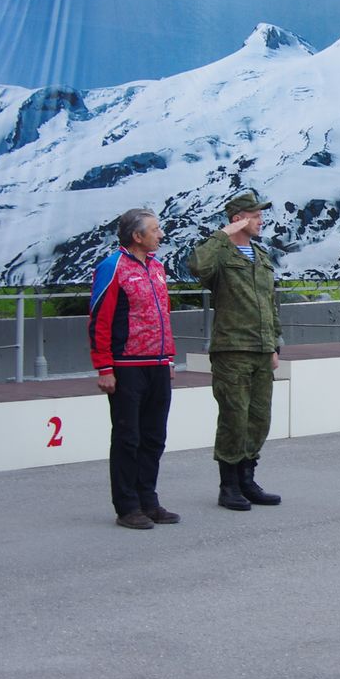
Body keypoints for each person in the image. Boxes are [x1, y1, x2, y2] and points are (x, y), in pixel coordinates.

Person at [189, 191, 283, 511]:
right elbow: (196, 265)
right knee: (234, 418)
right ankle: (228, 485)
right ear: (238, 219)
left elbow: (270, 304)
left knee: (259, 418)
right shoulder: (220, 254)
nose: (261, 220)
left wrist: (274, 345)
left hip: (260, 348)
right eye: (255, 216)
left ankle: (247, 479)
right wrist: (223, 235)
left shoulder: (261, 255)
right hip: (232, 349)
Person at [89, 209, 180, 530]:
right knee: (129, 437)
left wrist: (167, 357)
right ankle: (127, 506)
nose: (161, 234)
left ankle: (148, 500)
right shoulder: (112, 267)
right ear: (137, 236)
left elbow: (163, 315)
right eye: (154, 230)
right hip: (126, 365)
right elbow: (99, 318)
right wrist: (104, 366)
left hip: (156, 363)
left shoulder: (157, 267)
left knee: (154, 436)